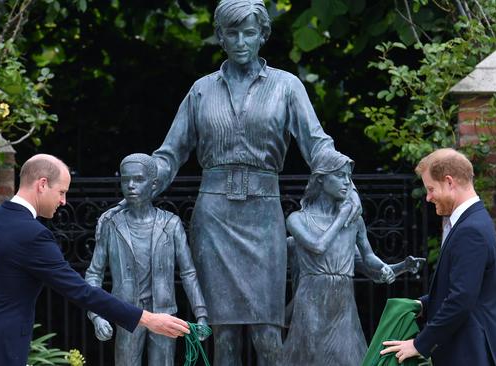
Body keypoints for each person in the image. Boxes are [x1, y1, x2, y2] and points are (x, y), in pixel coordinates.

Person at [151, 1, 360, 364]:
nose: (241, 41)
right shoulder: (201, 90)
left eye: (250, 32)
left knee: (268, 333)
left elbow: (317, 145)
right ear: (219, 36)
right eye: (232, 33)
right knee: (224, 334)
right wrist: (142, 181)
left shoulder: (287, 86)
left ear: (263, 35)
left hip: (264, 216)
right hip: (214, 218)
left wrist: (347, 184)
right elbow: (170, 154)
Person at [0, 154, 190, 366]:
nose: (63, 201)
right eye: (61, 192)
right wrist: (147, 319)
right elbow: (81, 291)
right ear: (42, 184)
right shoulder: (33, 235)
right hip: (2, 350)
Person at [282, 150, 423, 365]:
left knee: (348, 356)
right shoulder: (298, 219)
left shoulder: (354, 222)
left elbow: (368, 259)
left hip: (343, 302)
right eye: (339, 175)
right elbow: (318, 246)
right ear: (320, 179)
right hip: (311, 299)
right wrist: (342, 216)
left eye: (349, 177)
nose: (347, 182)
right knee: (309, 355)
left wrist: (398, 267)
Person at [380, 148, 496, 365]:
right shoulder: (471, 221)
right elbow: (463, 289)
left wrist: (419, 344)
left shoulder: (470, 229)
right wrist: (422, 305)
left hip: (469, 354)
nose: (428, 197)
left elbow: (461, 300)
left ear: (449, 182)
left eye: (430, 189)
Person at [84, 153, 208, 366]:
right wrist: (96, 315)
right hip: (126, 313)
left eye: (139, 179)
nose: (131, 185)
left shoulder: (171, 224)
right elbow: (94, 274)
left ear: (154, 184)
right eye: (125, 180)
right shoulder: (111, 225)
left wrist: (201, 314)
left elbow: (188, 273)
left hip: (164, 312)